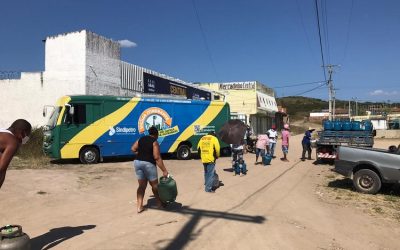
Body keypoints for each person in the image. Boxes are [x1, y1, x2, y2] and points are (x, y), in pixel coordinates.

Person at [131, 126, 169, 213]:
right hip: (148, 164)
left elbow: (133, 148)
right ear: (156, 134)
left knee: (141, 186)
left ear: (149, 133)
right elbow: (157, 157)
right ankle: (159, 204)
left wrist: (141, 154)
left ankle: (139, 207)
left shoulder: (140, 139)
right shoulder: (154, 142)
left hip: (137, 162)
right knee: (155, 185)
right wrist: (164, 170)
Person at [0, 119, 32, 189]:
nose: (25, 139)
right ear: (22, 133)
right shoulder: (12, 141)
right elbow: (1, 168)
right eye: (27, 136)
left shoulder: (2, 132)